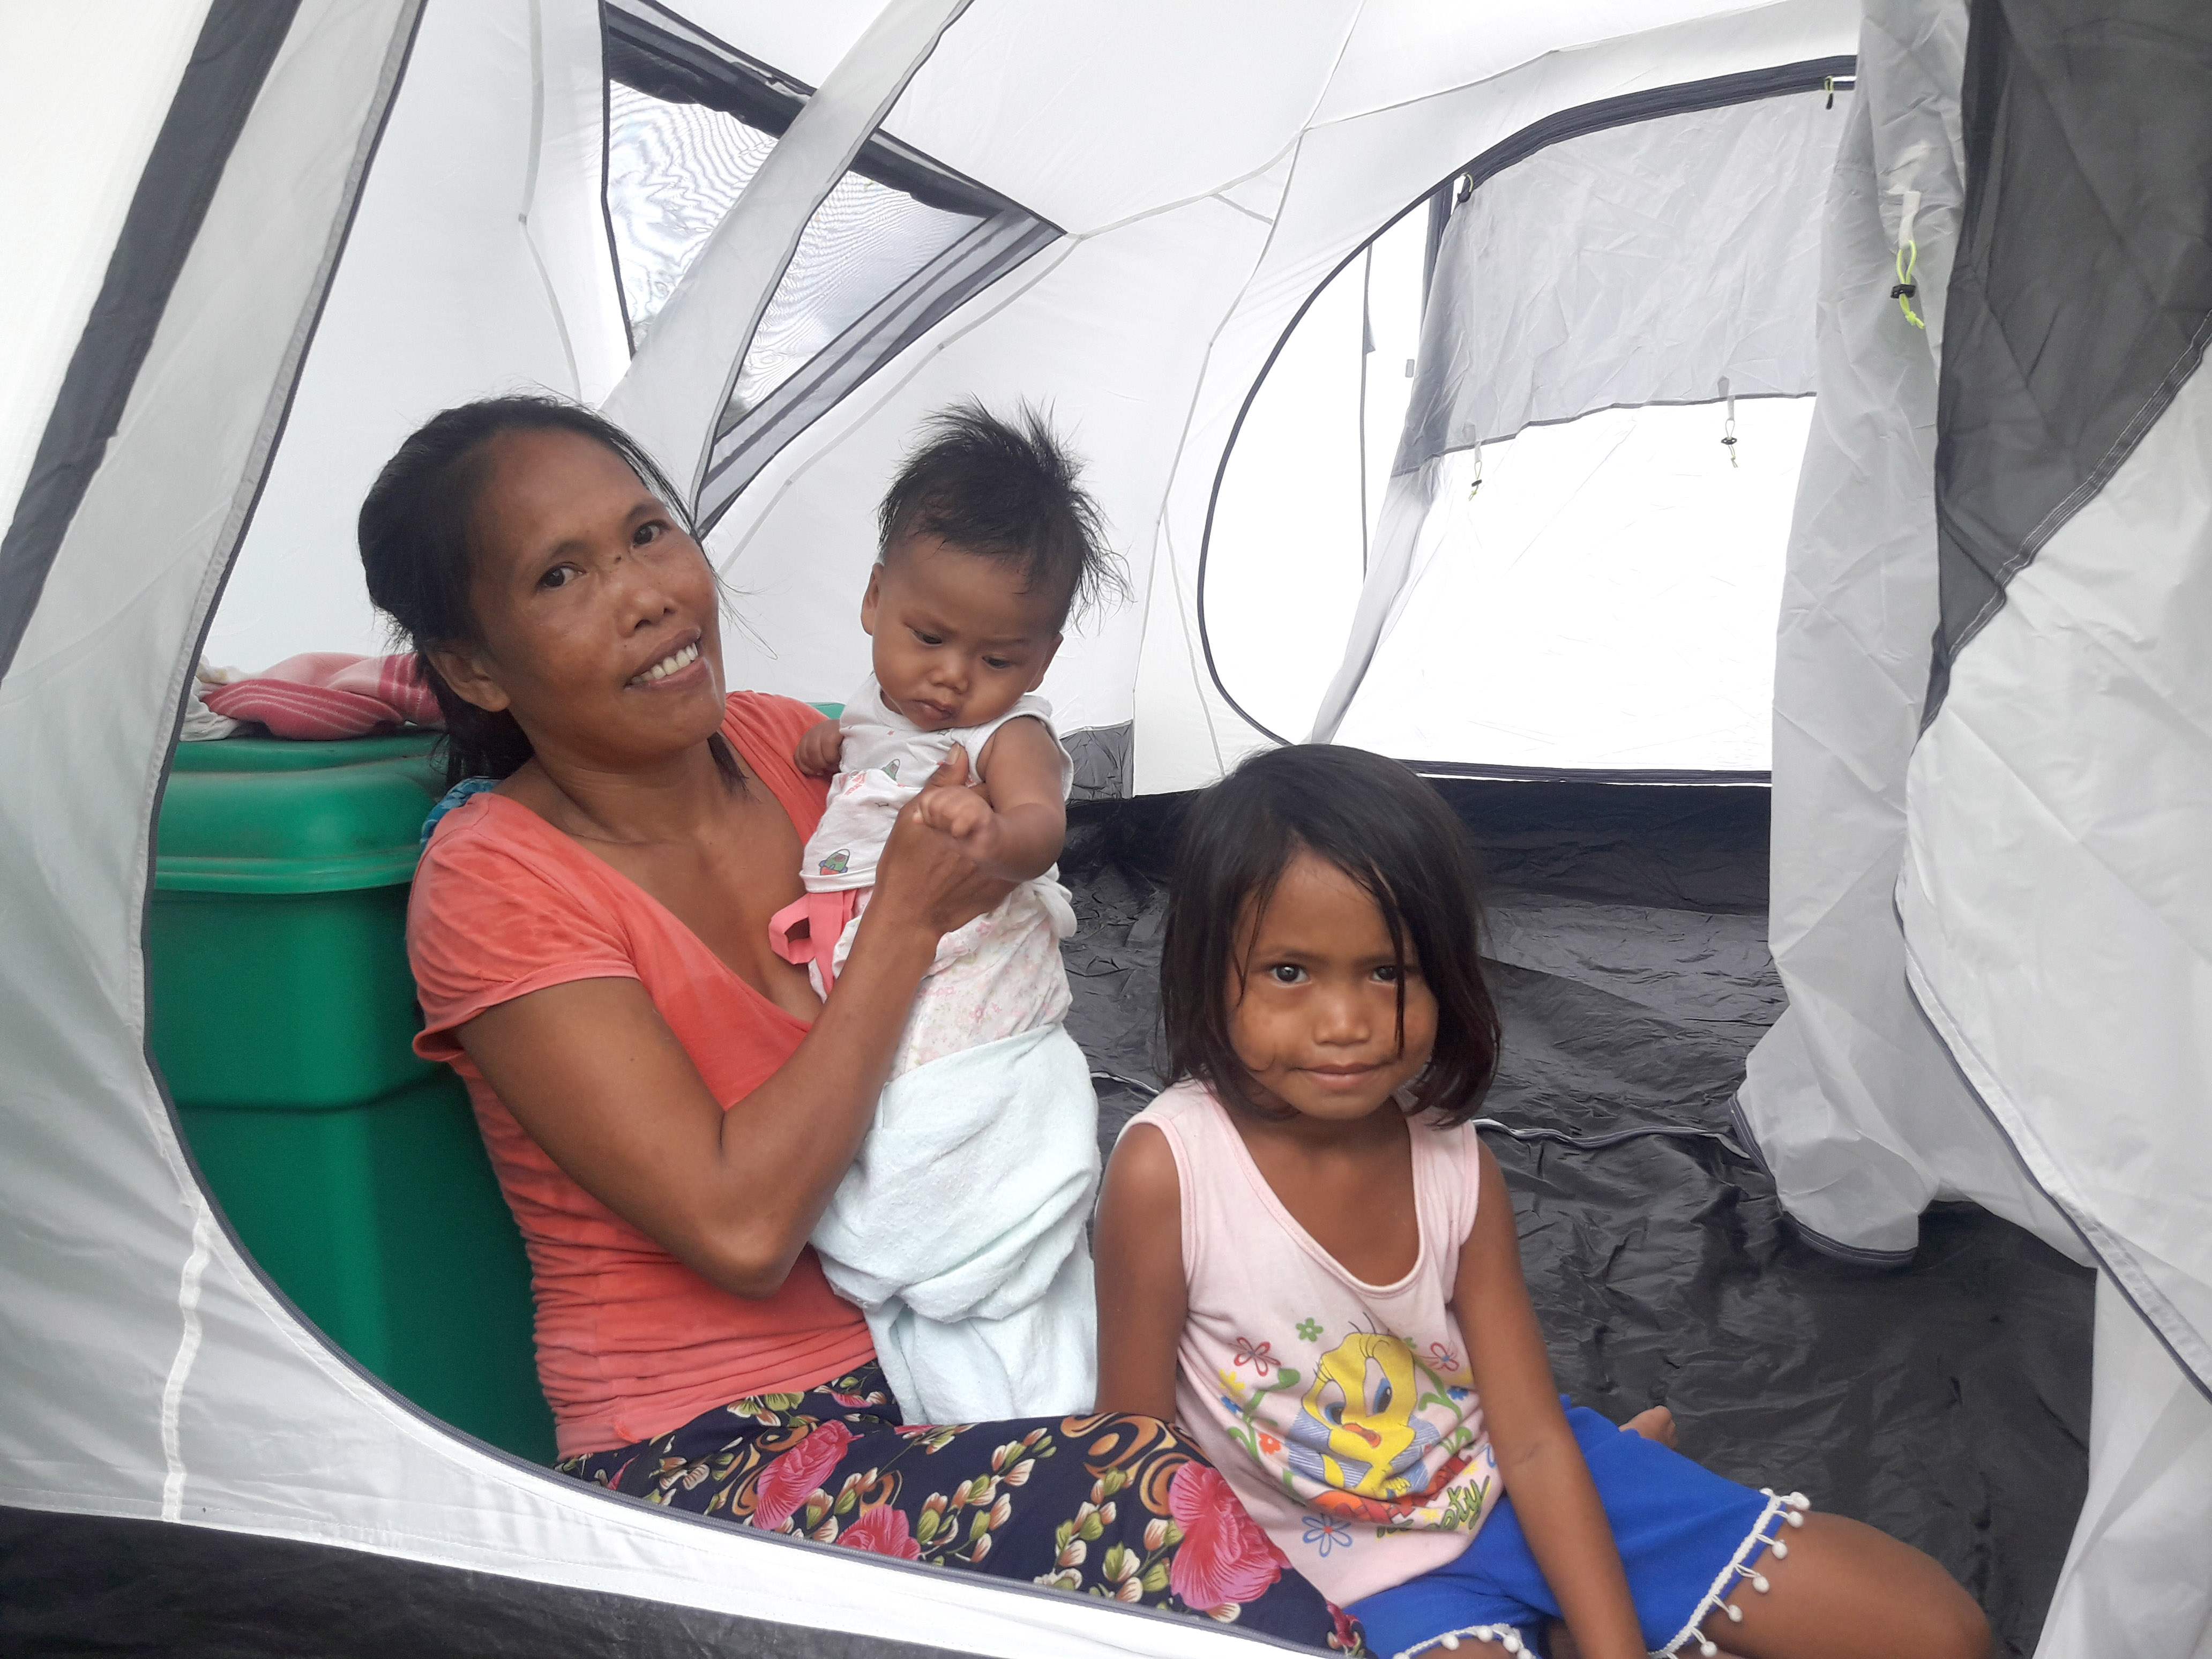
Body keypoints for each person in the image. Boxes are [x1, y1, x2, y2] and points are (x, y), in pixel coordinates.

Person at [360, 394, 1356, 1649]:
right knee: (1143, 1503)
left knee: (1323, 1383)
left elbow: (989, 770)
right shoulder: (498, 885)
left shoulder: (790, 745)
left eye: (649, 534)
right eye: (562, 575)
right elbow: (741, 1227)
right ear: (474, 665)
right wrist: (899, 926)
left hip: (938, 1344)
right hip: (710, 1452)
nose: (648, 594)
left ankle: (1551, 1558)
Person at [1092, 744, 1993, 1659]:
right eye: (1290, 971)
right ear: (1210, 973)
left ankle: (1600, 1545)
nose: (1344, 1022)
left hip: (1512, 1482)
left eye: (1388, 973)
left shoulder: (1452, 1161)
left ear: (1445, 973)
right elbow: (1136, 1463)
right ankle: (1567, 1583)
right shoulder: (1169, 1170)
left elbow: (1528, 1446)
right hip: (1340, 1567)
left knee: (1938, 1633)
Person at [774, 403, 1120, 1424]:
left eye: (998, 658)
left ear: (1042, 662)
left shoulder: (1012, 736)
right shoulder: (878, 712)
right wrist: (831, 746)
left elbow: (1041, 827)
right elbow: (871, 753)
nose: (953, 680)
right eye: (929, 637)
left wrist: (989, 834)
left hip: (975, 1016)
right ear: (876, 600)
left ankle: (1018, 1378)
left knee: (970, 1208)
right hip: (885, 986)